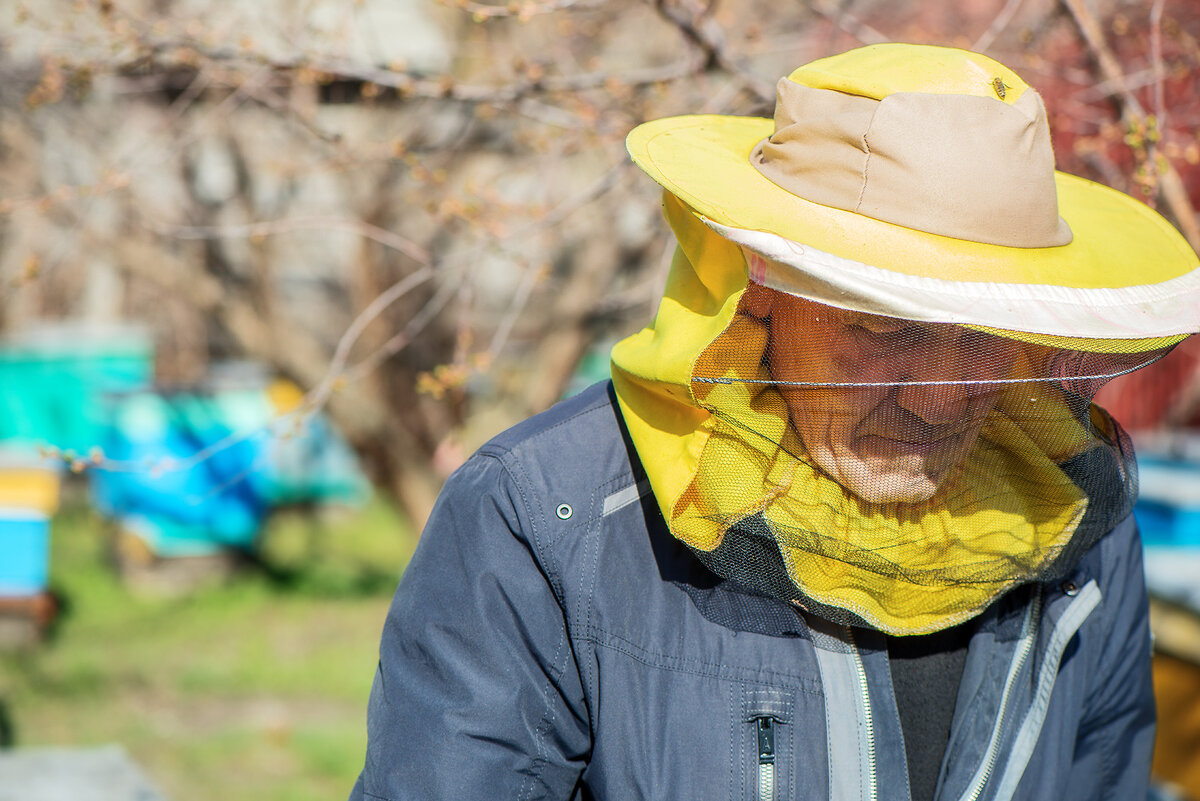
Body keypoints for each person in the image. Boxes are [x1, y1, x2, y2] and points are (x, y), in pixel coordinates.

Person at [349, 43, 1200, 801]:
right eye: (884, 328)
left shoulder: (1069, 517)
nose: (943, 398)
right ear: (758, 294)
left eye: (983, 339)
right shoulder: (544, 517)